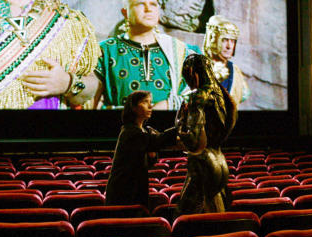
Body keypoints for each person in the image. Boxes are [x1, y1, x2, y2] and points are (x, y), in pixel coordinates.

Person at [94, 0, 200, 110]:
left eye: (153, 5)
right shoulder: (105, 50)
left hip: (168, 125)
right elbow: (90, 102)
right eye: (140, 4)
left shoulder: (181, 51)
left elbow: (201, 93)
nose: (148, 9)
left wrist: (169, 105)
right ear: (125, 12)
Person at [175, 53, 236, 214]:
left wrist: (179, 124)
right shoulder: (222, 94)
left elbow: (194, 141)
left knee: (185, 220)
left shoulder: (197, 96)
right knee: (217, 219)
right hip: (220, 161)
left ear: (193, 73)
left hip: (203, 164)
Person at [104, 90, 177, 208]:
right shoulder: (130, 132)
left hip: (136, 188)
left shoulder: (144, 130)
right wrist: (179, 126)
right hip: (122, 192)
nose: (150, 106)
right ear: (133, 108)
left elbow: (147, 160)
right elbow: (159, 141)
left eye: (151, 102)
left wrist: (152, 153)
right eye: (145, 102)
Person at [203, 15, 249, 106]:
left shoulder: (235, 71)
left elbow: (245, 94)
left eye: (232, 41)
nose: (229, 46)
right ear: (213, 40)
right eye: (224, 40)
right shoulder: (200, 67)